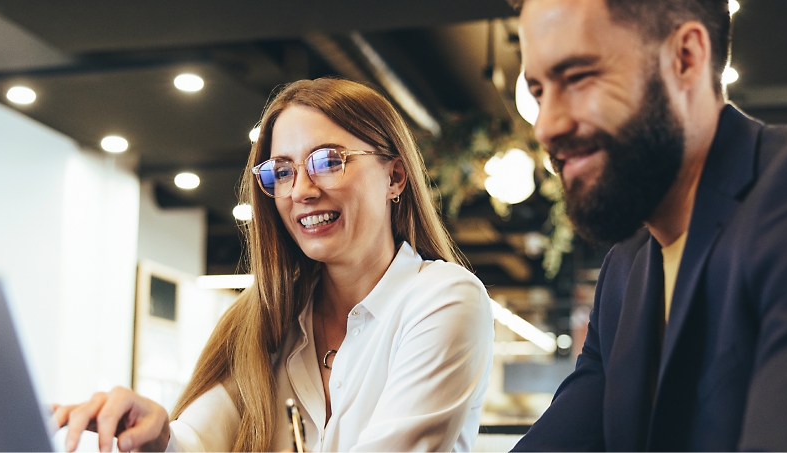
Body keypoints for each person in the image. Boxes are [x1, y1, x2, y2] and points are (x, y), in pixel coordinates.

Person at [511, 0, 787, 451]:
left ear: (685, 57)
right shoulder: (625, 270)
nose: (546, 126)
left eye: (578, 77)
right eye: (538, 92)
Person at [53, 78, 494, 452]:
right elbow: (197, 438)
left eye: (327, 161)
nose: (301, 189)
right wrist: (158, 435)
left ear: (394, 176)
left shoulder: (445, 299)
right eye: (281, 171)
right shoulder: (267, 321)